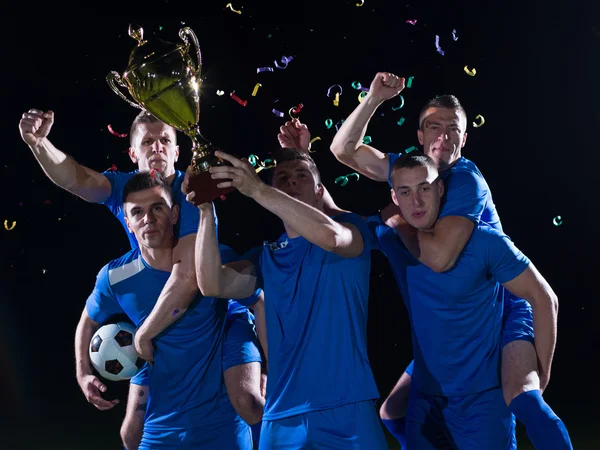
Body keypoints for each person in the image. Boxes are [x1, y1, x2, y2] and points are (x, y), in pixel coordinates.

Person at [327, 73, 572, 449]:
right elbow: (343, 150)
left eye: (452, 129)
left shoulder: (465, 180)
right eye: (433, 126)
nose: (443, 135)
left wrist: (398, 224)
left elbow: (439, 257)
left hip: (503, 303)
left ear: (464, 138)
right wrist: (374, 98)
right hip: (456, 317)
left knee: (522, 394)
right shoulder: (415, 171)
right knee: (393, 411)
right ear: (419, 137)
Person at [19, 109, 265, 447]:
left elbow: (190, 276)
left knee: (246, 401)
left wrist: (144, 333)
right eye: (147, 141)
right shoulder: (123, 192)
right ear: (132, 153)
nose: (158, 147)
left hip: (214, 299)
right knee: (131, 432)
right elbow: (75, 178)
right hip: (157, 303)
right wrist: (40, 143)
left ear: (177, 152)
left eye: (166, 140)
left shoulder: (190, 189)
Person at [187, 148, 388, 449]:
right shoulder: (266, 256)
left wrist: (258, 189)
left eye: (301, 176)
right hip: (281, 418)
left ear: (320, 191)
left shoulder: (350, 229)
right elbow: (212, 283)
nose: (291, 181)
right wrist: (205, 212)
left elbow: (330, 237)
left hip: (348, 409)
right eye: (282, 177)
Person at [372, 152, 562, 448]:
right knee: (390, 412)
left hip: (482, 401)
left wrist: (543, 372)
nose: (416, 202)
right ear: (394, 197)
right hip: (426, 400)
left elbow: (544, 297)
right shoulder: (390, 235)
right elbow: (333, 231)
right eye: (405, 192)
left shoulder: (484, 241)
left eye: (424, 188)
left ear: (440, 189)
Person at [75, 171, 255, 449]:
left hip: (221, 427)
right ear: (128, 223)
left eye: (157, 208)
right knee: (128, 436)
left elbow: (258, 301)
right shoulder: (115, 277)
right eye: (137, 212)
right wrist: (83, 372)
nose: (148, 218)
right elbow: (88, 319)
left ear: (174, 214)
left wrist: (262, 365)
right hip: (161, 429)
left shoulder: (211, 261)